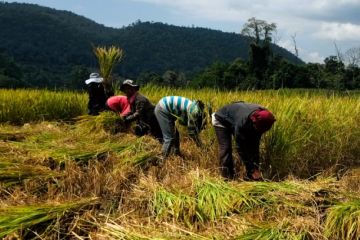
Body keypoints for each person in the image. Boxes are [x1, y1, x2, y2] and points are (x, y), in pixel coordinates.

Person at [212, 101, 275, 180]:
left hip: (234, 117)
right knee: (226, 149)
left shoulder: (264, 117)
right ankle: (227, 178)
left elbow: (255, 145)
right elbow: (240, 147)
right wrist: (252, 169)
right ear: (254, 122)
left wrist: (255, 167)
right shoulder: (242, 123)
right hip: (221, 119)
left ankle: (252, 177)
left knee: (252, 146)